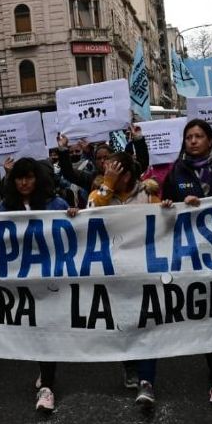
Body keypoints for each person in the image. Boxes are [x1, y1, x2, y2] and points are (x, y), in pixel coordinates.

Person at [0, 158, 76, 412]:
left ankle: (47, 387)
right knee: (34, 330)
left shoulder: (56, 203)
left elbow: (74, 233)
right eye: (19, 178)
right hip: (20, 280)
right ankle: (44, 369)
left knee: (47, 331)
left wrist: (74, 215)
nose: (24, 183)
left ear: (37, 178)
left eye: (28, 177)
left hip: (50, 280)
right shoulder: (6, 205)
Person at [160, 119, 212, 406]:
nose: (192, 141)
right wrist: (172, 205)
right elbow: (163, 208)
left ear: (209, 140)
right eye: (188, 137)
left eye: (198, 136)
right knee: (208, 313)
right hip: (193, 255)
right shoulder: (175, 172)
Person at [87, 152, 161, 408]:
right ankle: (129, 364)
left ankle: (147, 381)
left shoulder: (148, 195)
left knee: (146, 322)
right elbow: (89, 217)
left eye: (113, 170)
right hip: (113, 273)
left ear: (127, 175)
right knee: (121, 323)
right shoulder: (100, 193)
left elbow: (162, 226)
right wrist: (106, 186)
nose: (107, 173)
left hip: (143, 270)